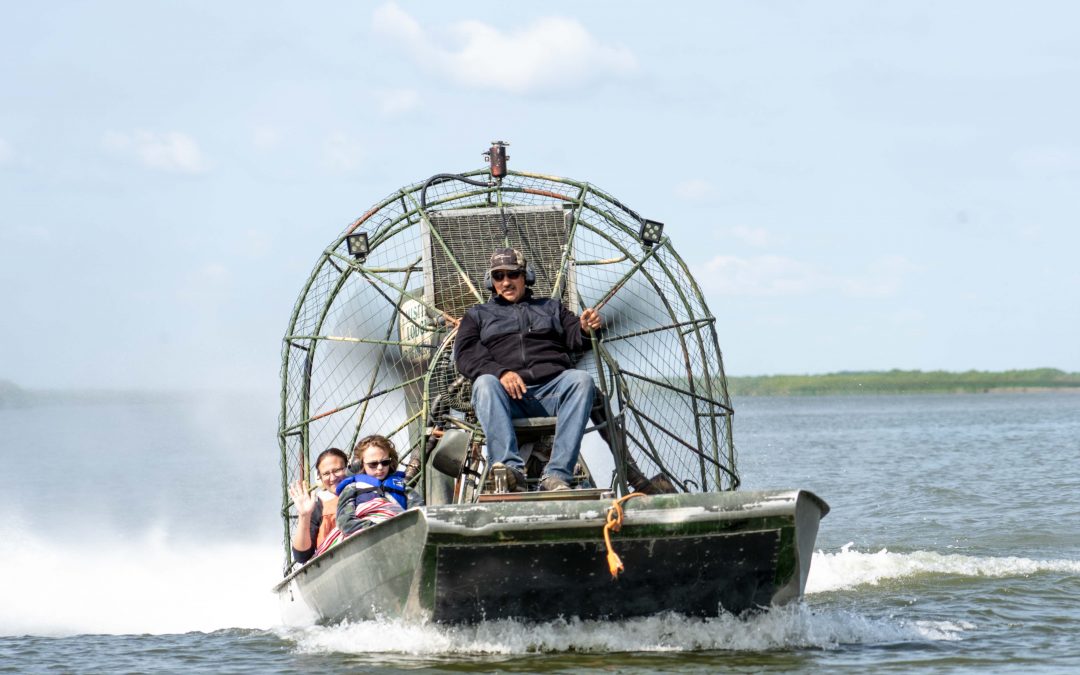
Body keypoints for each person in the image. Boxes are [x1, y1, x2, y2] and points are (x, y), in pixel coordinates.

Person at [454, 248, 602, 492]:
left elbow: (577, 336)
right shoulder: (477, 315)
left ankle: (557, 475)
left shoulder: (551, 308)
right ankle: (509, 471)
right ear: (491, 282)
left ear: (525, 276)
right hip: (505, 396)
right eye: (498, 277)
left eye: (512, 275)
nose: (505, 282)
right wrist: (500, 372)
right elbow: (465, 354)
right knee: (484, 383)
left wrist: (586, 329)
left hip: (550, 392)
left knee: (581, 380)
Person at [333, 435, 408, 538]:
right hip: (368, 540)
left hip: (402, 534)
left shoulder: (401, 484)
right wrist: (378, 529)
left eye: (385, 462)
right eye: (373, 464)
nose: (380, 468)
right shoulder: (352, 488)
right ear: (359, 464)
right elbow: (344, 522)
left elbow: (419, 511)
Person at [288, 447, 348, 565]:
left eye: (337, 470)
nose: (332, 478)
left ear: (348, 469)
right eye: (326, 474)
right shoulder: (318, 508)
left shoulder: (366, 492)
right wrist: (304, 515)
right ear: (319, 478)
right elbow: (302, 556)